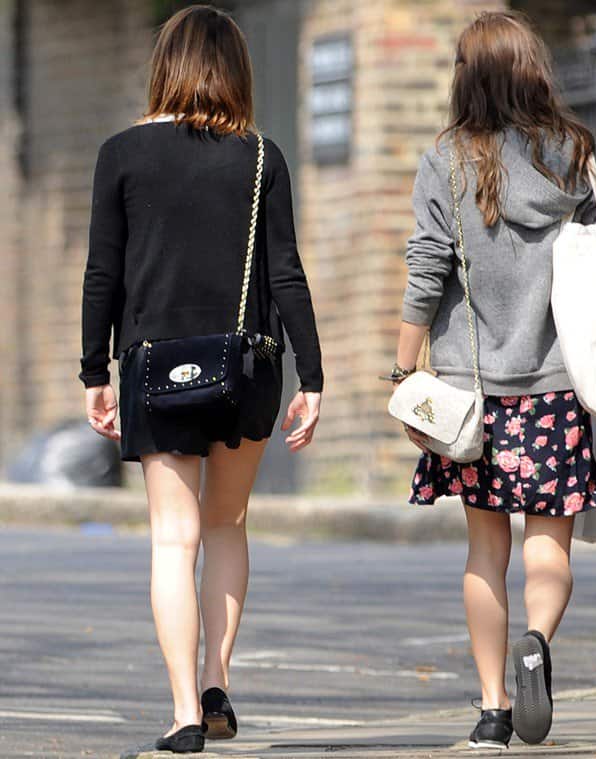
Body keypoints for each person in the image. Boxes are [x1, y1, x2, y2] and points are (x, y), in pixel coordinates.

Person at [79, 5, 323, 753]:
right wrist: (312, 375)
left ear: (166, 65)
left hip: (155, 368)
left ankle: (185, 709)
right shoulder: (260, 158)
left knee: (171, 538)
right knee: (226, 525)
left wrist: (95, 369)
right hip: (246, 368)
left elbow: (103, 275)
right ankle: (217, 678)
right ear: (235, 71)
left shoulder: (121, 154)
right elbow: (285, 273)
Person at [391, 11, 596, 750]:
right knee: (550, 549)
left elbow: (427, 270)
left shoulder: (445, 161)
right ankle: (537, 639)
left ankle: (493, 709)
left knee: (484, 553)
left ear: (468, 77)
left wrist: (404, 367)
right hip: (558, 384)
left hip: (471, 397)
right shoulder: (575, 154)